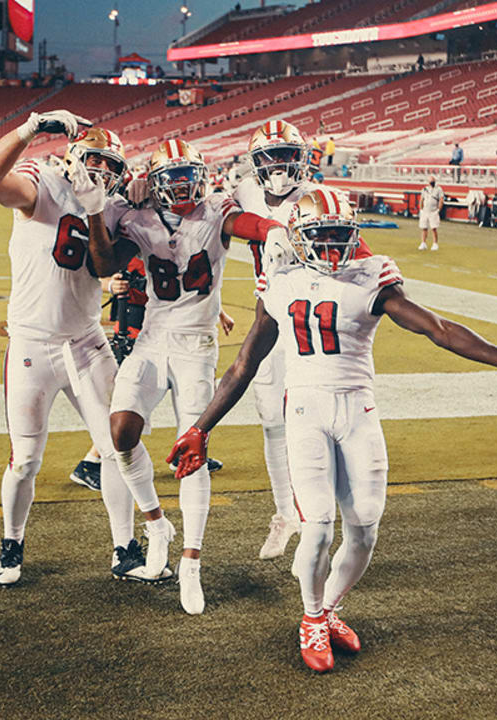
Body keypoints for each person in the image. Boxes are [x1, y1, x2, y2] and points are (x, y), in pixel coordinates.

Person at [166, 187, 497, 672]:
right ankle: (312, 618)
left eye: (340, 234)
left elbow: (436, 328)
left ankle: (330, 606)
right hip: (305, 412)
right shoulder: (279, 283)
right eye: (321, 236)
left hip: (358, 410)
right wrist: (201, 427)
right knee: (317, 530)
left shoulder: (371, 277)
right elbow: (243, 366)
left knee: (364, 530)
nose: (332, 246)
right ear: (298, 238)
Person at [85, 138, 292, 614]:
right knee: (120, 432)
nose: (183, 186)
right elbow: (102, 261)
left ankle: (192, 563)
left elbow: (247, 223)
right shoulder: (135, 214)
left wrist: (272, 230)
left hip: (196, 344)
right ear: (154, 184)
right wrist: (105, 207)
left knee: (192, 448)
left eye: (188, 175)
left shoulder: (216, 208)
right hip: (153, 336)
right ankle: (157, 524)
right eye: (171, 178)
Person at [0, 109, 153, 587]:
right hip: (33, 344)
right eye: (96, 160)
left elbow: (108, 259)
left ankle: (125, 547)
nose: (103, 172)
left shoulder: (112, 206)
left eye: (113, 167)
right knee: (26, 459)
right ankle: (12, 542)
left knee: (117, 447)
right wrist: (29, 130)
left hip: (87, 342)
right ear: (73, 156)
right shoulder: (46, 183)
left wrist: (145, 194)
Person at [233, 119, 375, 561]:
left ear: (303, 159)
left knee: (317, 417)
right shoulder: (243, 191)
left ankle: (322, 519)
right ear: (255, 164)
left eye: (287, 156)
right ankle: (286, 515)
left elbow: (359, 250)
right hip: (270, 310)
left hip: (312, 320)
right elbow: (217, 214)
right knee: (271, 418)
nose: (278, 166)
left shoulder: (317, 199)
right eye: (270, 157)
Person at [68, 259, 233, 492]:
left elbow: (190, 287)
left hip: (164, 327)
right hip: (137, 327)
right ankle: (90, 461)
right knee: (128, 403)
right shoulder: (134, 237)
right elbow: (93, 273)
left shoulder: (164, 239)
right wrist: (110, 286)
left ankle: (184, 451)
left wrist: (219, 312)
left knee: (184, 393)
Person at [418, 177, 445, 251]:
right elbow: (421, 199)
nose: (432, 182)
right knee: (424, 227)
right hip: (425, 211)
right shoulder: (424, 189)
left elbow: (441, 200)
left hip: (433, 211)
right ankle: (423, 243)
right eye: (431, 181)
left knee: (434, 228)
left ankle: (435, 243)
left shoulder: (439, 189)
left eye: (433, 181)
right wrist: (421, 209)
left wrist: (438, 210)